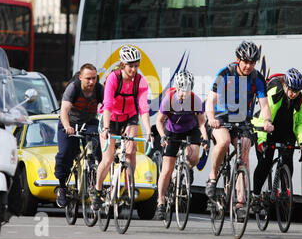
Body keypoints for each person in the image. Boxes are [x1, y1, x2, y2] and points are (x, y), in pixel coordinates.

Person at [205, 40, 274, 220]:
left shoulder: (256, 78)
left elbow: (264, 105)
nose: (249, 66)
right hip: (221, 118)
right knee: (224, 142)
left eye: (252, 62)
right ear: (238, 60)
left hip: (243, 120)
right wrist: (211, 118)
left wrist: (267, 120)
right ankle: (212, 177)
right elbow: (210, 101)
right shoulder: (225, 73)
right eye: (246, 62)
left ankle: (240, 203)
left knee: (244, 154)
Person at [92, 45, 151, 210]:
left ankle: (127, 188)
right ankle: (97, 190)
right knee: (109, 158)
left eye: (137, 66)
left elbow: (143, 108)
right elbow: (108, 105)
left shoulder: (141, 81)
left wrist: (148, 131)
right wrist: (105, 128)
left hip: (129, 117)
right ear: (123, 65)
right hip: (109, 118)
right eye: (131, 66)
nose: (134, 69)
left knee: (131, 151)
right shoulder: (113, 78)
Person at [251, 68, 302, 211]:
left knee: (288, 158)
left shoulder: (301, 100)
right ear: (285, 85)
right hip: (266, 129)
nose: (293, 94)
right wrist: (261, 141)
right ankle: (256, 196)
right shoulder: (275, 93)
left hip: (286, 131)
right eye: (291, 90)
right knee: (265, 163)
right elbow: (264, 119)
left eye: (297, 91)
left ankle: (285, 192)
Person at [154, 70, 209, 220]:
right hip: (172, 131)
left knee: (193, 156)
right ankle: (161, 202)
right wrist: (163, 136)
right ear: (176, 89)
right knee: (166, 169)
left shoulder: (195, 100)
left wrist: (205, 139)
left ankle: (187, 168)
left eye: (187, 91)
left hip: (191, 129)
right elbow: (159, 121)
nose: (184, 95)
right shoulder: (169, 100)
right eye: (181, 91)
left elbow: (202, 122)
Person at [55, 63, 104, 208]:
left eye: (94, 78)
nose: (91, 82)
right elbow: (64, 110)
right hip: (69, 123)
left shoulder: (99, 89)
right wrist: (67, 127)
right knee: (65, 154)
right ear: (81, 77)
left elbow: (108, 107)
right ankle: (62, 188)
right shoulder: (73, 88)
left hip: (89, 122)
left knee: (100, 148)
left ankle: (96, 181)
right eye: (88, 78)